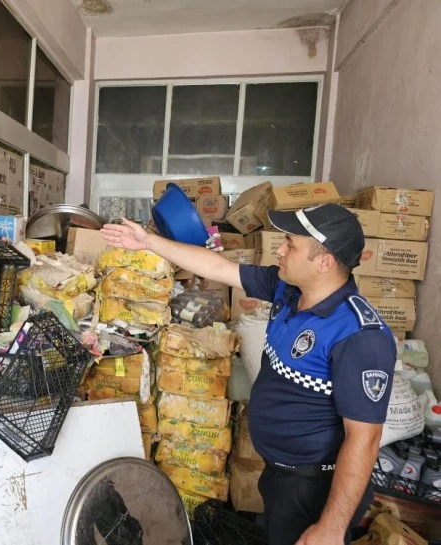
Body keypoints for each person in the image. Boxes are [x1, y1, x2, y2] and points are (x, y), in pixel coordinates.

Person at [101, 204, 396, 545]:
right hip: (279, 474)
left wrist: (330, 527)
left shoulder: (359, 335)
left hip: (315, 489)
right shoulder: (289, 290)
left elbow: (364, 439)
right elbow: (218, 267)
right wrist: (148, 241)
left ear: (324, 262)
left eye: (291, 244)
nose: (280, 250)